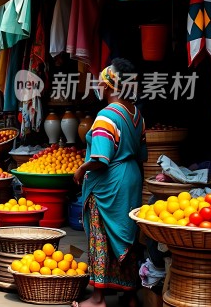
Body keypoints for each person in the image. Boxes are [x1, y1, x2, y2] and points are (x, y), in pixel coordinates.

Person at [72, 59, 144, 307]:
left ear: (107, 84)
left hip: (110, 183)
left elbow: (101, 158)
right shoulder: (136, 114)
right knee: (127, 237)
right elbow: (141, 152)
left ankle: (98, 297)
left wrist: (82, 168)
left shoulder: (106, 115)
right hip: (132, 178)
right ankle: (131, 295)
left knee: (100, 236)